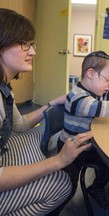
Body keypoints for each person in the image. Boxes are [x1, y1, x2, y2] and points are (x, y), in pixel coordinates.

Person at [0, 8, 92, 215]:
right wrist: (57, 161)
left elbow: (19, 125)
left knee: (44, 139)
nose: (32, 52)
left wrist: (53, 102)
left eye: (32, 44)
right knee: (62, 184)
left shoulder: (4, 88)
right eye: (24, 43)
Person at [56, 50, 109, 209]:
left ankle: (97, 188)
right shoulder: (76, 96)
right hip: (70, 149)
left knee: (108, 159)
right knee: (67, 187)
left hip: (87, 145)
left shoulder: (94, 91)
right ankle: (55, 209)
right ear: (90, 73)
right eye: (108, 79)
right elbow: (98, 107)